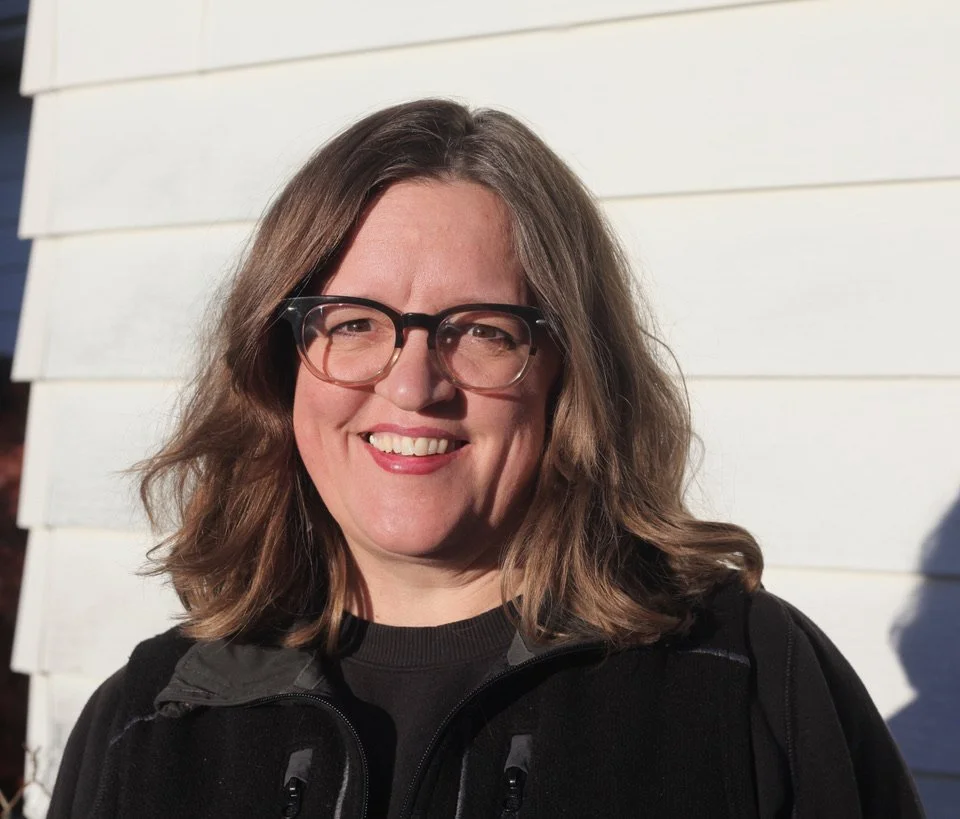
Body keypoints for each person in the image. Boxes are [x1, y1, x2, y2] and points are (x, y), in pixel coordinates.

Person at [47, 99, 923, 819]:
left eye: (481, 332)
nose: (414, 383)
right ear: (276, 367)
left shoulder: (744, 679)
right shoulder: (149, 721)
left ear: (568, 373)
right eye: (353, 322)